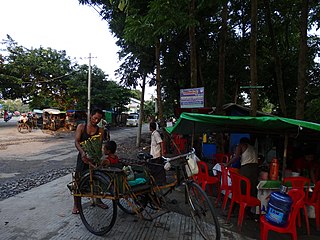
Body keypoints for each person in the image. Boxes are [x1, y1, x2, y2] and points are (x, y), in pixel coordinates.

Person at [72, 108, 105, 214]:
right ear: (90, 116)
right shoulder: (81, 127)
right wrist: (82, 153)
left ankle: (98, 200)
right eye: (95, 118)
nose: (96, 121)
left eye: (98, 119)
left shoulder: (100, 130)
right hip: (82, 157)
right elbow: (77, 142)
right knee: (78, 180)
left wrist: (96, 157)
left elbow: (99, 146)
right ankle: (76, 205)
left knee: (97, 179)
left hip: (94, 158)